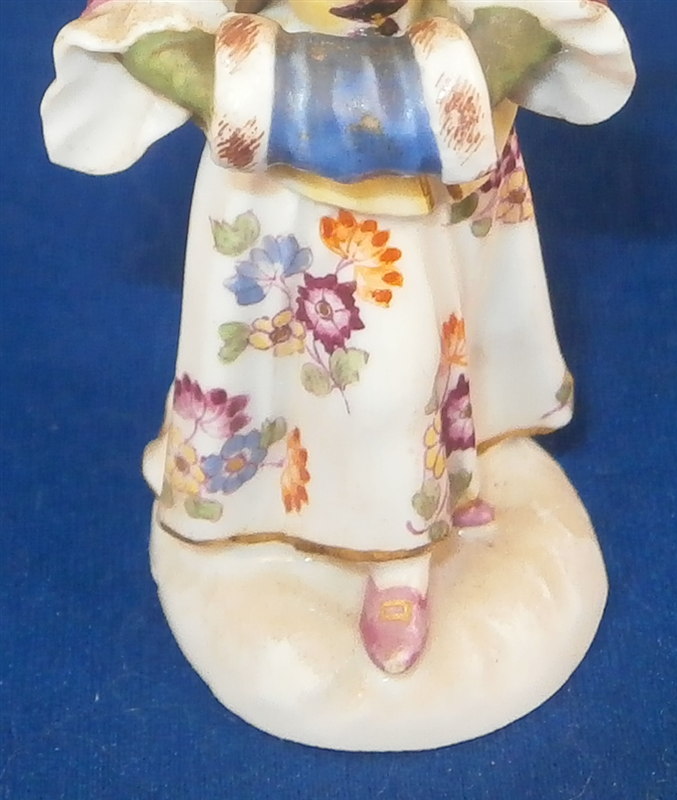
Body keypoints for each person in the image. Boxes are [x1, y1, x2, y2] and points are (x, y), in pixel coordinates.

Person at [42, 0, 634, 674]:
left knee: (445, 333)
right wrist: (199, 66)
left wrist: (493, 50)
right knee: (359, 374)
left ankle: (441, 494)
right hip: (286, 146)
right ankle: (387, 554)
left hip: (435, 110)